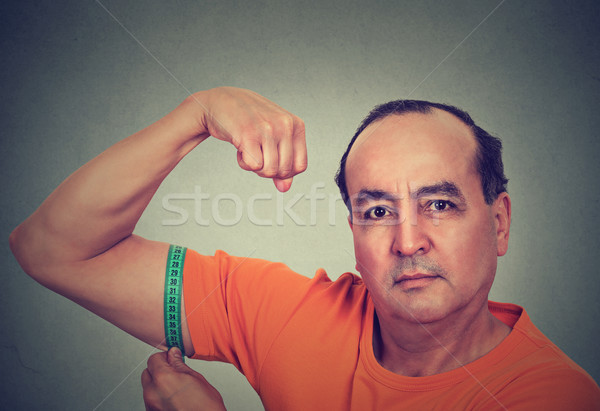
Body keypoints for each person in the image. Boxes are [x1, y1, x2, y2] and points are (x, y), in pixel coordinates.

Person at [9, 87, 600, 410]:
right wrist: (196, 114)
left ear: (498, 222)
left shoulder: (550, 397)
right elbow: (53, 249)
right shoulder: (291, 316)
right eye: (376, 211)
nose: (407, 240)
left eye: (439, 204)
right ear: (353, 234)